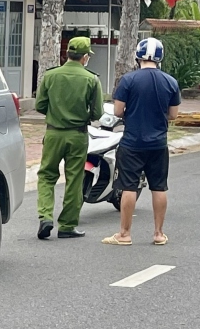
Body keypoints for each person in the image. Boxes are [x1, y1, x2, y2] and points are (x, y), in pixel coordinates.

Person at [102, 37, 180, 246]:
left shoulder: (128, 80)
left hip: (132, 142)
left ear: (138, 56)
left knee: (129, 186)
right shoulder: (170, 82)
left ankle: (125, 234)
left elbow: (118, 111)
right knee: (159, 187)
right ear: (159, 58)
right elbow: (173, 115)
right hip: (158, 143)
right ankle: (158, 233)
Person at [35, 36, 104, 240]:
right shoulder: (91, 79)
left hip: (54, 133)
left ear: (67, 54)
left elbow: (39, 105)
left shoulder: (50, 76)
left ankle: (45, 216)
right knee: (74, 179)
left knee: (47, 175)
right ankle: (67, 225)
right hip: (78, 135)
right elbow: (98, 112)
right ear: (84, 57)